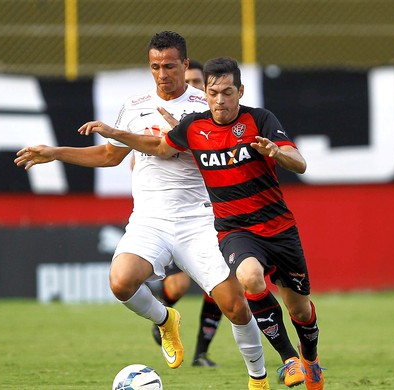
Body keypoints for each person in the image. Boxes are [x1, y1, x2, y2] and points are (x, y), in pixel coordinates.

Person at [15, 33, 270, 390]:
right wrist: (56, 152)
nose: (162, 74)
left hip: (199, 219)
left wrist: (128, 133)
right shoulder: (135, 105)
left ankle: (258, 379)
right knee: (121, 282)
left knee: (237, 307)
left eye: (169, 65)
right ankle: (167, 320)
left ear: (185, 64)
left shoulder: (205, 105)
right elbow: (109, 155)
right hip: (150, 219)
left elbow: (177, 149)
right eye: (155, 67)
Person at [78, 56, 325, 390]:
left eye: (226, 92)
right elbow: (158, 147)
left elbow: (300, 163)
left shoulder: (261, 120)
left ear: (240, 91)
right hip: (234, 229)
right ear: (205, 93)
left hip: (278, 227)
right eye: (213, 93)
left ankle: (309, 356)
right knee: (250, 278)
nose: (220, 100)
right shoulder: (193, 127)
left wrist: (276, 152)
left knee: (301, 310)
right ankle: (288, 361)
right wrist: (115, 133)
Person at [146, 58, 224, 368]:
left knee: (220, 285)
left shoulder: (210, 121)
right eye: (188, 81)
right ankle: (163, 316)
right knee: (179, 286)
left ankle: (201, 353)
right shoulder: (162, 120)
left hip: (209, 212)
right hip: (172, 216)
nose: (190, 87)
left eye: (196, 83)